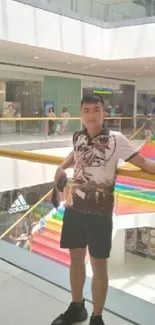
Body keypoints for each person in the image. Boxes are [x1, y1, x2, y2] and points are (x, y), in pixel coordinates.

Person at [52, 94, 155, 325]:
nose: (91, 115)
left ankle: (97, 317)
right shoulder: (78, 136)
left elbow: (144, 164)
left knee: (99, 266)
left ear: (104, 112)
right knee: (76, 260)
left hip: (100, 212)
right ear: (81, 114)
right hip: (74, 209)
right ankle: (77, 307)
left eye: (96, 109)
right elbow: (75, 154)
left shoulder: (116, 139)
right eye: (86, 110)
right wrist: (61, 166)